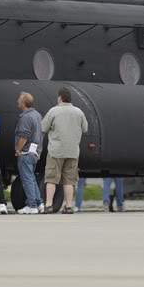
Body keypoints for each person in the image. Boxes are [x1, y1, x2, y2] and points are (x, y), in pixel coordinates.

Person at [41, 86, 88, 214]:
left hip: (56, 151)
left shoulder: (53, 111)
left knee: (51, 178)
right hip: (73, 151)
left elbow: (43, 127)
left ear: (60, 97)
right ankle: (68, 206)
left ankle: (49, 205)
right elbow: (85, 128)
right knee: (69, 180)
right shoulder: (79, 112)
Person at [14, 92, 44, 214]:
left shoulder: (26, 117)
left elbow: (24, 136)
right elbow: (41, 134)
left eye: (19, 100)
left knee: (27, 179)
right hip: (34, 152)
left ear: (24, 103)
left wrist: (18, 149)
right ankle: (39, 203)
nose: (18, 102)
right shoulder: (38, 115)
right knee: (31, 178)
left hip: (26, 152)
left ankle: (31, 206)